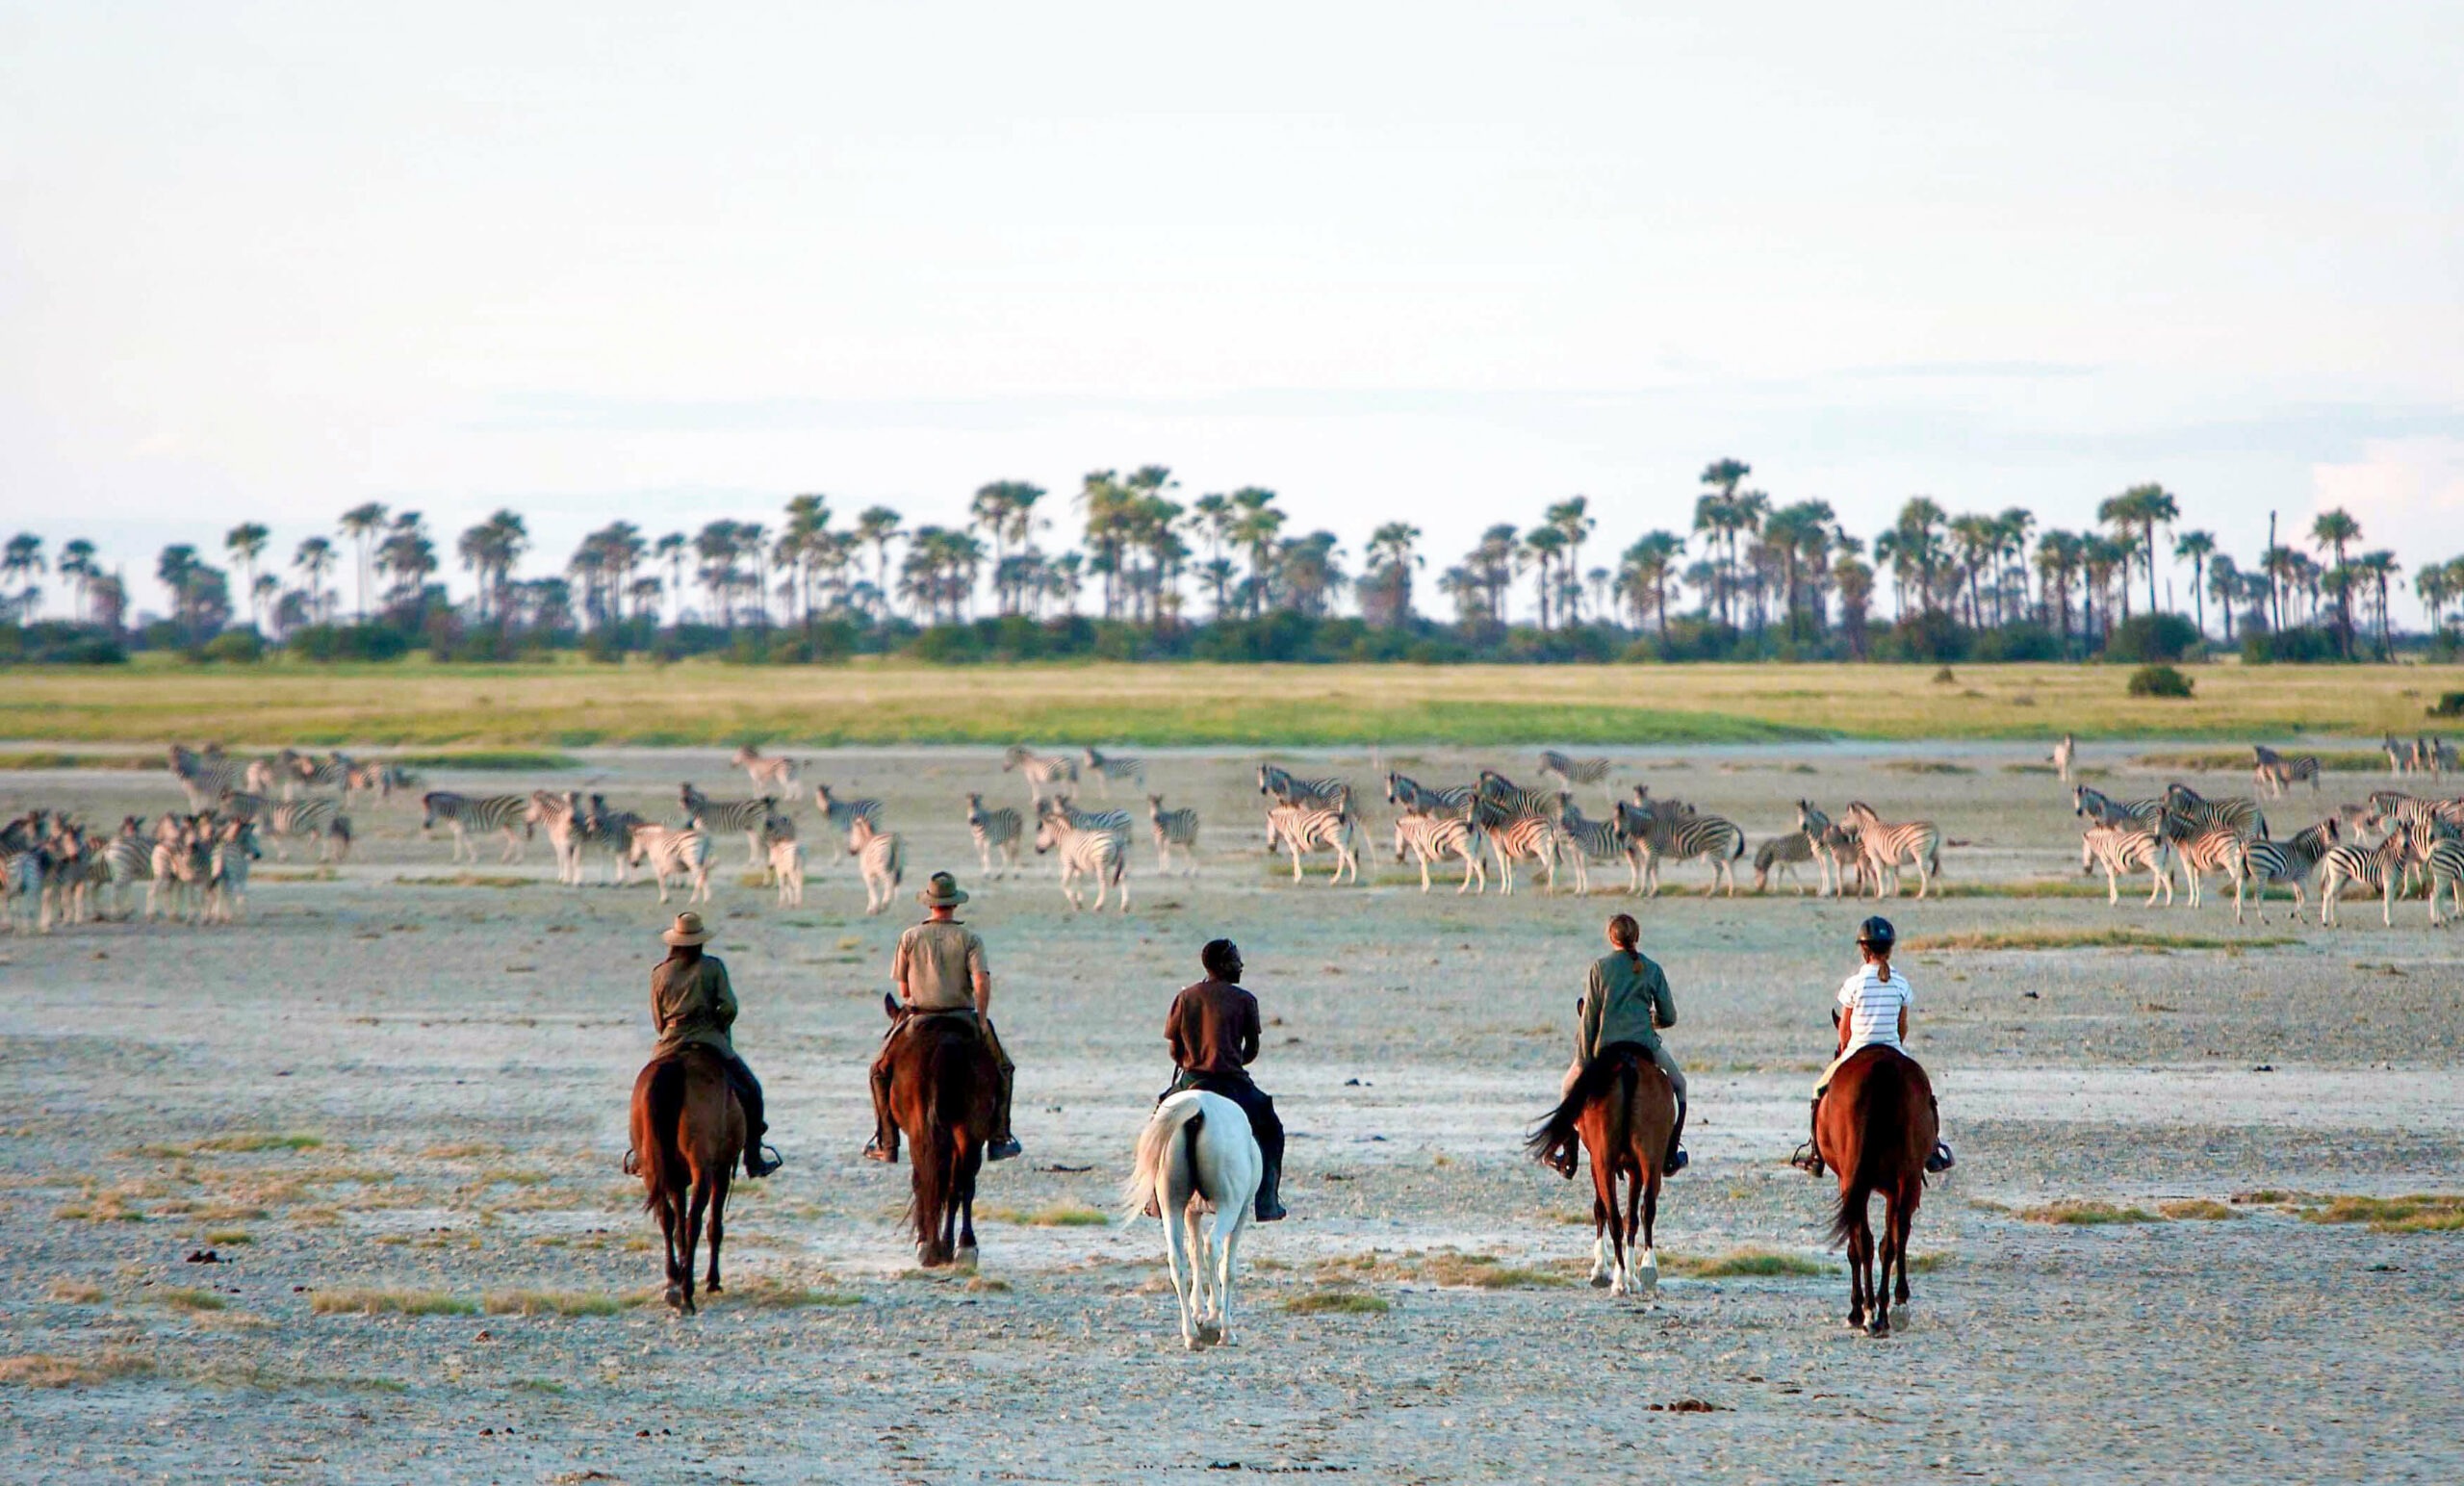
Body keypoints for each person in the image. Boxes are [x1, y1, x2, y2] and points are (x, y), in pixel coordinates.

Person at [865, 871, 1021, 1164]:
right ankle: (1000, 1137)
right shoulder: (970, 938)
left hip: (917, 1018)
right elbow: (982, 982)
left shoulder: (910, 937)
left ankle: (886, 1142)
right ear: (954, 904)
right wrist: (983, 1018)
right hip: (962, 1016)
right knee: (1003, 1068)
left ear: (929, 903)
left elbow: (903, 988)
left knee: (878, 1070)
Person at [1792, 915, 1954, 1176]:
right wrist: (1894, 1043)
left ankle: (1816, 1153)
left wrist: (1845, 1048)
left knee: (1818, 1090)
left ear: (1863, 950)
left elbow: (1845, 1029)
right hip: (1893, 1048)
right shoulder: (1901, 983)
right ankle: (1933, 1148)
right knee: (1925, 1092)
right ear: (1890, 949)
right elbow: (1902, 1028)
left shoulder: (1853, 984)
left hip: (1857, 1049)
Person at [638, 911, 782, 1178]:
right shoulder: (713, 967)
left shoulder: (659, 973)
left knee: (646, 1093)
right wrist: (717, 1023)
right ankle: (753, 1157)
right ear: (699, 941)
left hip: (670, 1041)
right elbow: (729, 1007)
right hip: (710, 1038)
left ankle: (640, 1154)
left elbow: (658, 1019)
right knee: (752, 1091)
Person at [1156, 938, 1285, 1221]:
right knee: (1271, 1126)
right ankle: (1267, 1200)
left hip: (1191, 1078)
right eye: (1237, 960)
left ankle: (1154, 1198)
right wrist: (1231, 1059)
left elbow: (1175, 1050)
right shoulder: (1245, 1000)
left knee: (1158, 1121)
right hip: (1232, 1082)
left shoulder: (1185, 997)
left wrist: (1192, 1060)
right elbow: (1251, 1050)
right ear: (1223, 965)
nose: (1241, 966)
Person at [1563, 912, 1688, 1176]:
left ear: (1611, 937)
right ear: (1637, 937)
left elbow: (1589, 1020)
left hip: (1605, 1045)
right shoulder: (1652, 968)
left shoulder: (1599, 968)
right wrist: (1649, 1021)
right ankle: (1671, 1152)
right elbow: (1669, 1016)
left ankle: (1568, 1155)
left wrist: (1585, 1060)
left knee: (1567, 1089)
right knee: (1680, 1087)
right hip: (1644, 1045)